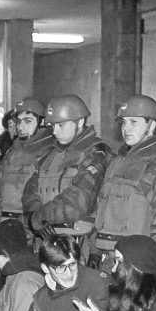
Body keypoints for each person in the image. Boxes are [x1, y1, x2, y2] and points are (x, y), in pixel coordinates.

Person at [91, 95, 156, 258]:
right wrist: (94, 252)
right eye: (124, 122)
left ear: (152, 125)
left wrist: (155, 264)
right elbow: (101, 210)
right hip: (109, 257)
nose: (126, 128)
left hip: (139, 260)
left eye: (134, 122)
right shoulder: (116, 162)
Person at [23, 94, 113, 238]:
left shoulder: (96, 153)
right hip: (46, 236)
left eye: (61, 125)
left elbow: (78, 201)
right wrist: (35, 216)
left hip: (79, 241)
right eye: (52, 126)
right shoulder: (48, 154)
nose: (55, 132)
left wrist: (39, 217)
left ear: (80, 122)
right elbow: (30, 190)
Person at [0, 97, 53, 224]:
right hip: (5, 219)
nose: (20, 127)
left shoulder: (49, 150)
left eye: (27, 121)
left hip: (27, 221)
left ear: (42, 122)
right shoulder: (13, 151)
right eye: (18, 121)